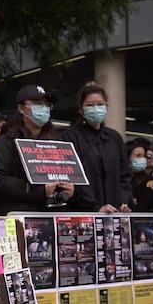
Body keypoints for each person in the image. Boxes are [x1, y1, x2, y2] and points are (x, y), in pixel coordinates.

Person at [0, 85, 90, 214]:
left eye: (47, 104)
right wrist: (38, 191)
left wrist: (73, 192)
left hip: (55, 217)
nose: (44, 108)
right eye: (38, 103)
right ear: (21, 108)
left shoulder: (58, 142)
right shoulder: (6, 142)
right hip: (20, 218)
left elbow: (77, 177)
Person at [60, 83, 131, 213]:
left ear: (106, 106)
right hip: (84, 212)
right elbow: (72, 177)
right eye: (90, 105)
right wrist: (95, 207)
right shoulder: (69, 138)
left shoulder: (114, 138)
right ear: (81, 109)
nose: (96, 109)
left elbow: (124, 175)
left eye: (100, 104)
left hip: (114, 212)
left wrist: (123, 202)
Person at [126, 138, 153, 212]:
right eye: (138, 156)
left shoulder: (148, 181)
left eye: (144, 156)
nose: (142, 159)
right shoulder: (120, 180)